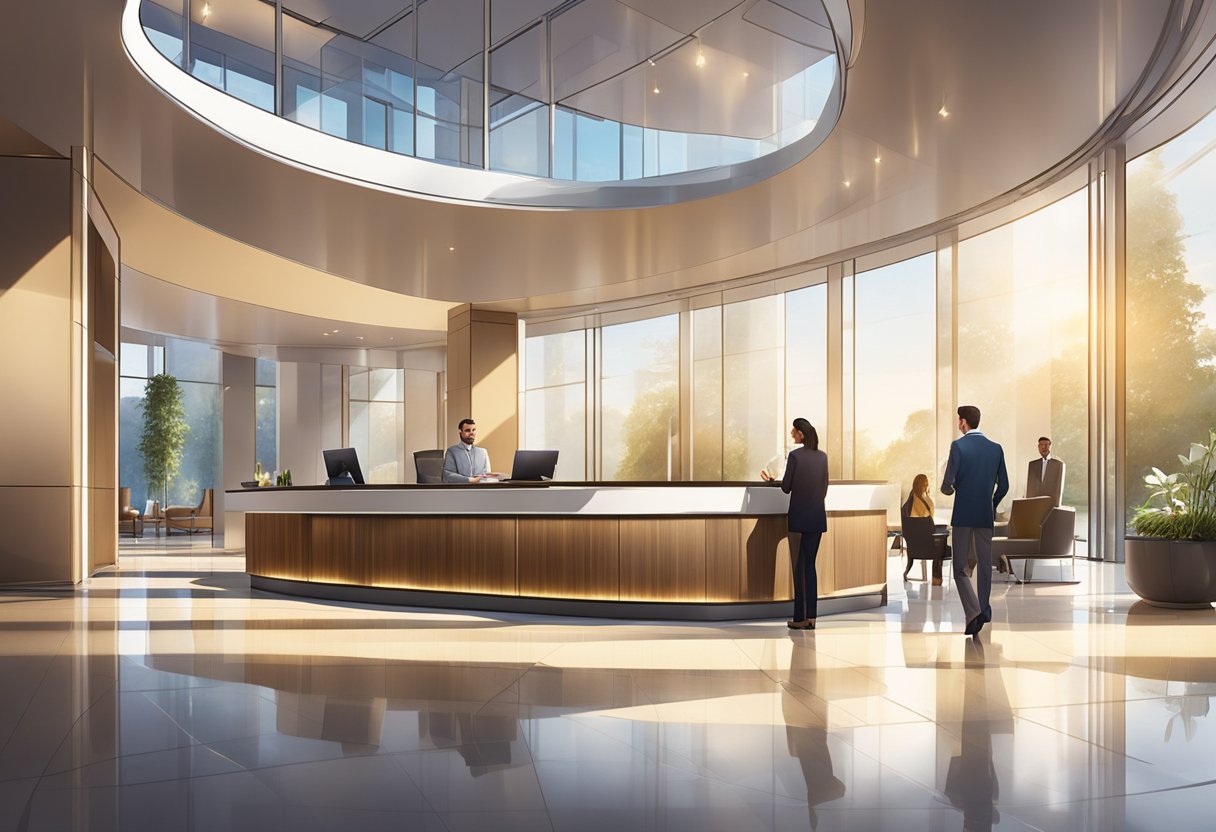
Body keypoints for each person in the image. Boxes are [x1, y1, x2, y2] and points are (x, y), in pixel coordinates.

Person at [941, 405, 1009, 637]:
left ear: (963, 422)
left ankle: (973, 612)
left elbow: (946, 485)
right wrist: (991, 503)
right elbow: (1005, 486)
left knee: (960, 567)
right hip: (984, 514)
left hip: (963, 515)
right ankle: (985, 609)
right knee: (984, 563)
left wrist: (953, 488)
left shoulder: (958, 446)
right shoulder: (995, 448)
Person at [761, 418, 828, 630]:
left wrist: (774, 481)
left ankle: (800, 618)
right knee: (810, 566)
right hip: (817, 517)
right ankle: (812, 618)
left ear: (801, 434)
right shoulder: (822, 457)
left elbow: (786, 488)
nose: (791, 434)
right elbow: (824, 489)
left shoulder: (795, 456)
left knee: (799, 568)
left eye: (793, 431)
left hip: (799, 518)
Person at [901, 473, 946, 584]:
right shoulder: (927, 503)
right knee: (940, 545)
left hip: (913, 546)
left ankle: (909, 571)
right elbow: (929, 525)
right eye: (925, 484)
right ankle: (936, 578)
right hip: (928, 547)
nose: (926, 487)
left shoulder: (906, 506)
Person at [442, 419, 505, 483]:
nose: (471, 433)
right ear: (460, 432)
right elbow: (448, 475)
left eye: (473, 430)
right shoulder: (452, 451)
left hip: (480, 490)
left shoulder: (483, 452)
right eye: (467, 430)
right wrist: (469, 480)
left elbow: (487, 475)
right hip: (461, 490)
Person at [1025, 436, 1065, 506]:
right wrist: (1028, 504)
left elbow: (1058, 488)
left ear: (1050, 446)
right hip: (1035, 503)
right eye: (1041, 445)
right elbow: (1030, 487)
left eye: (1046, 445)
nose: (1044, 447)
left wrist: (1057, 504)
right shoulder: (1032, 465)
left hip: (1050, 503)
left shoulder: (1058, 465)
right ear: (1038, 447)